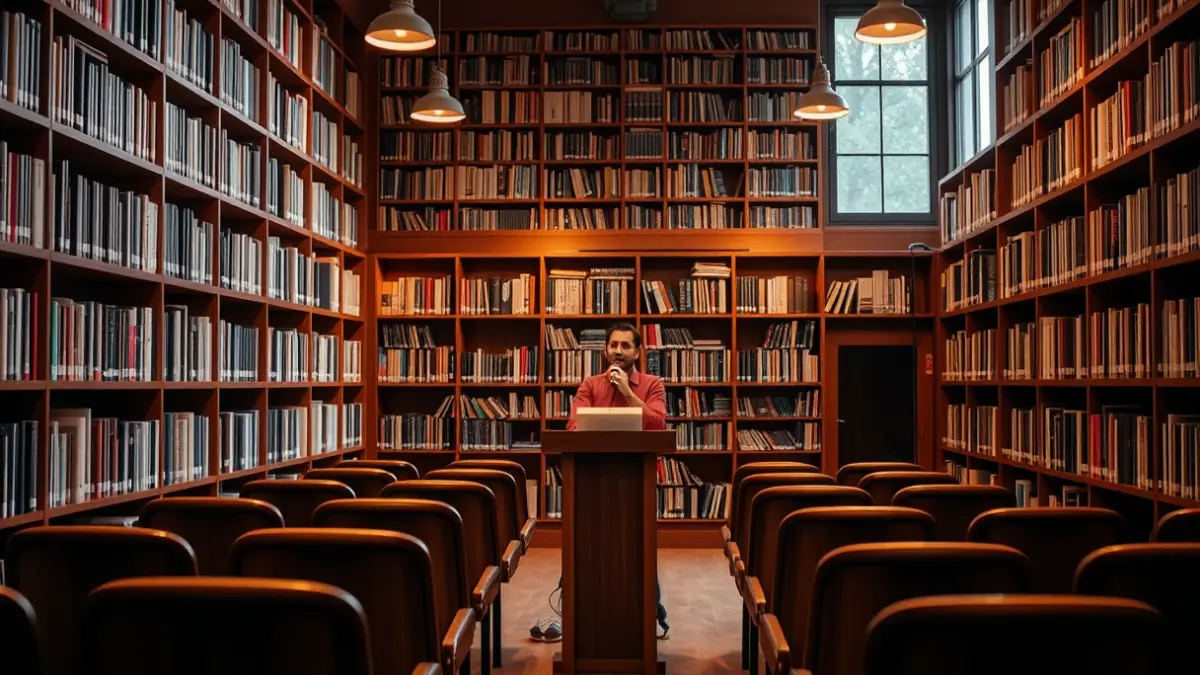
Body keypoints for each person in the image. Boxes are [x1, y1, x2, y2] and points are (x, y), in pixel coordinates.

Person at [530, 323, 671, 643]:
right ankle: (583, 615)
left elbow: (658, 425)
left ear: (637, 352)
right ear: (605, 350)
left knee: (638, 549)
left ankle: (646, 614)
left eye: (625, 346)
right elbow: (574, 424)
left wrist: (626, 393)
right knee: (587, 547)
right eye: (613, 345)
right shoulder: (590, 385)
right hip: (592, 482)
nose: (618, 351)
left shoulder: (652, 385)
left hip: (637, 482)